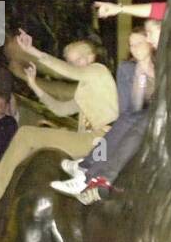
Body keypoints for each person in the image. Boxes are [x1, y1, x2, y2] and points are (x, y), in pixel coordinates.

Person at [0, 31, 118, 216]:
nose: (75, 65)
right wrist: (33, 84)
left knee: (27, 135)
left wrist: (32, 51)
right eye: (72, 62)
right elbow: (60, 109)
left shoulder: (99, 71)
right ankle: (1, 206)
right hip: (89, 140)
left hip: (102, 139)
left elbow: (69, 72)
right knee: (32, 149)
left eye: (79, 60)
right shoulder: (84, 88)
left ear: (91, 57)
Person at [52, 29, 157, 204]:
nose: (134, 48)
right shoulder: (128, 69)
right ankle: (85, 169)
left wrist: (35, 53)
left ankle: (88, 173)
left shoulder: (98, 70)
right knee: (126, 123)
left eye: (138, 43)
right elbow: (129, 111)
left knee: (125, 127)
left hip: (105, 132)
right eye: (131, 45)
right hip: (112, 130)